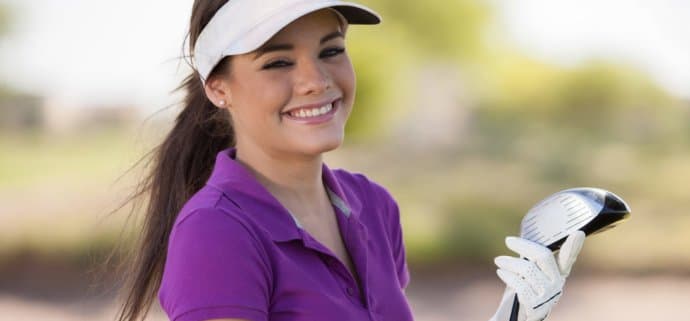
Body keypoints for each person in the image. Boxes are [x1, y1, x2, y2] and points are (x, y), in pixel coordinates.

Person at [113, 1, 586, 321]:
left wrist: (514, 315)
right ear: (218, 88)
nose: (316, 80)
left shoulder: (373, 206)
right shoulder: (215, 233)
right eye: (278, 62)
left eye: (331, 51)